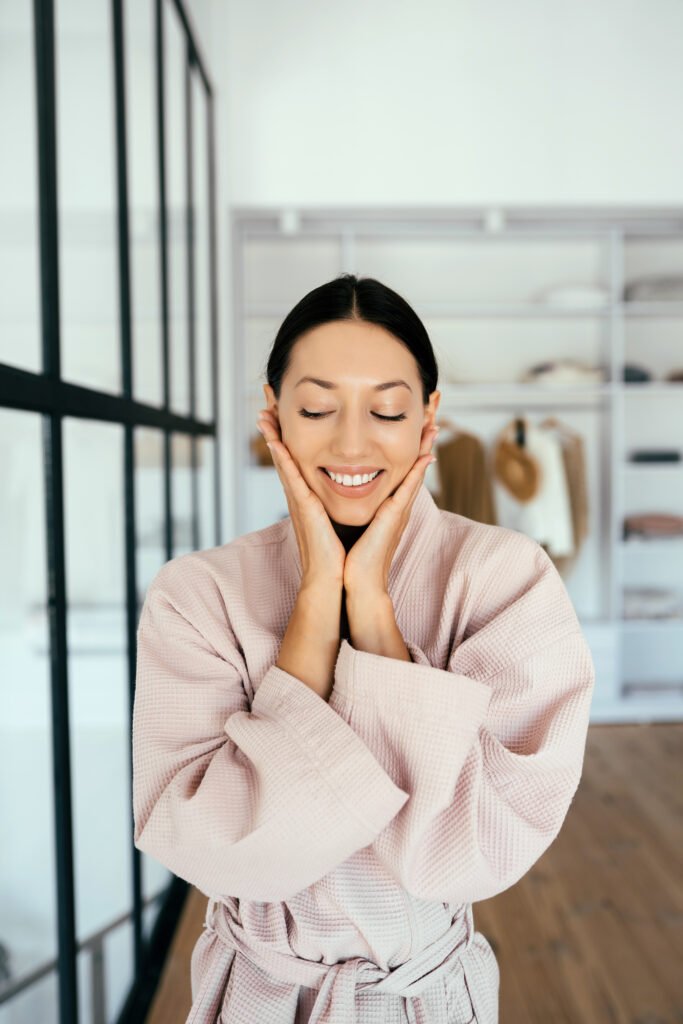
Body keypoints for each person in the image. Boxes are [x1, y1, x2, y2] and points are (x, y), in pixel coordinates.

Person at [132, 274, 595, 1023]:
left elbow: (481, 848)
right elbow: (207, 844)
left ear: (427, 418)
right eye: (316, 408)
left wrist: (372, 612)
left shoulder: (505, 579)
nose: (352, 442)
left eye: (385, 409)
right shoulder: (196, 594)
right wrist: (317, 598)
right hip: (258, 995)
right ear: (273, 411)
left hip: (427, 995)